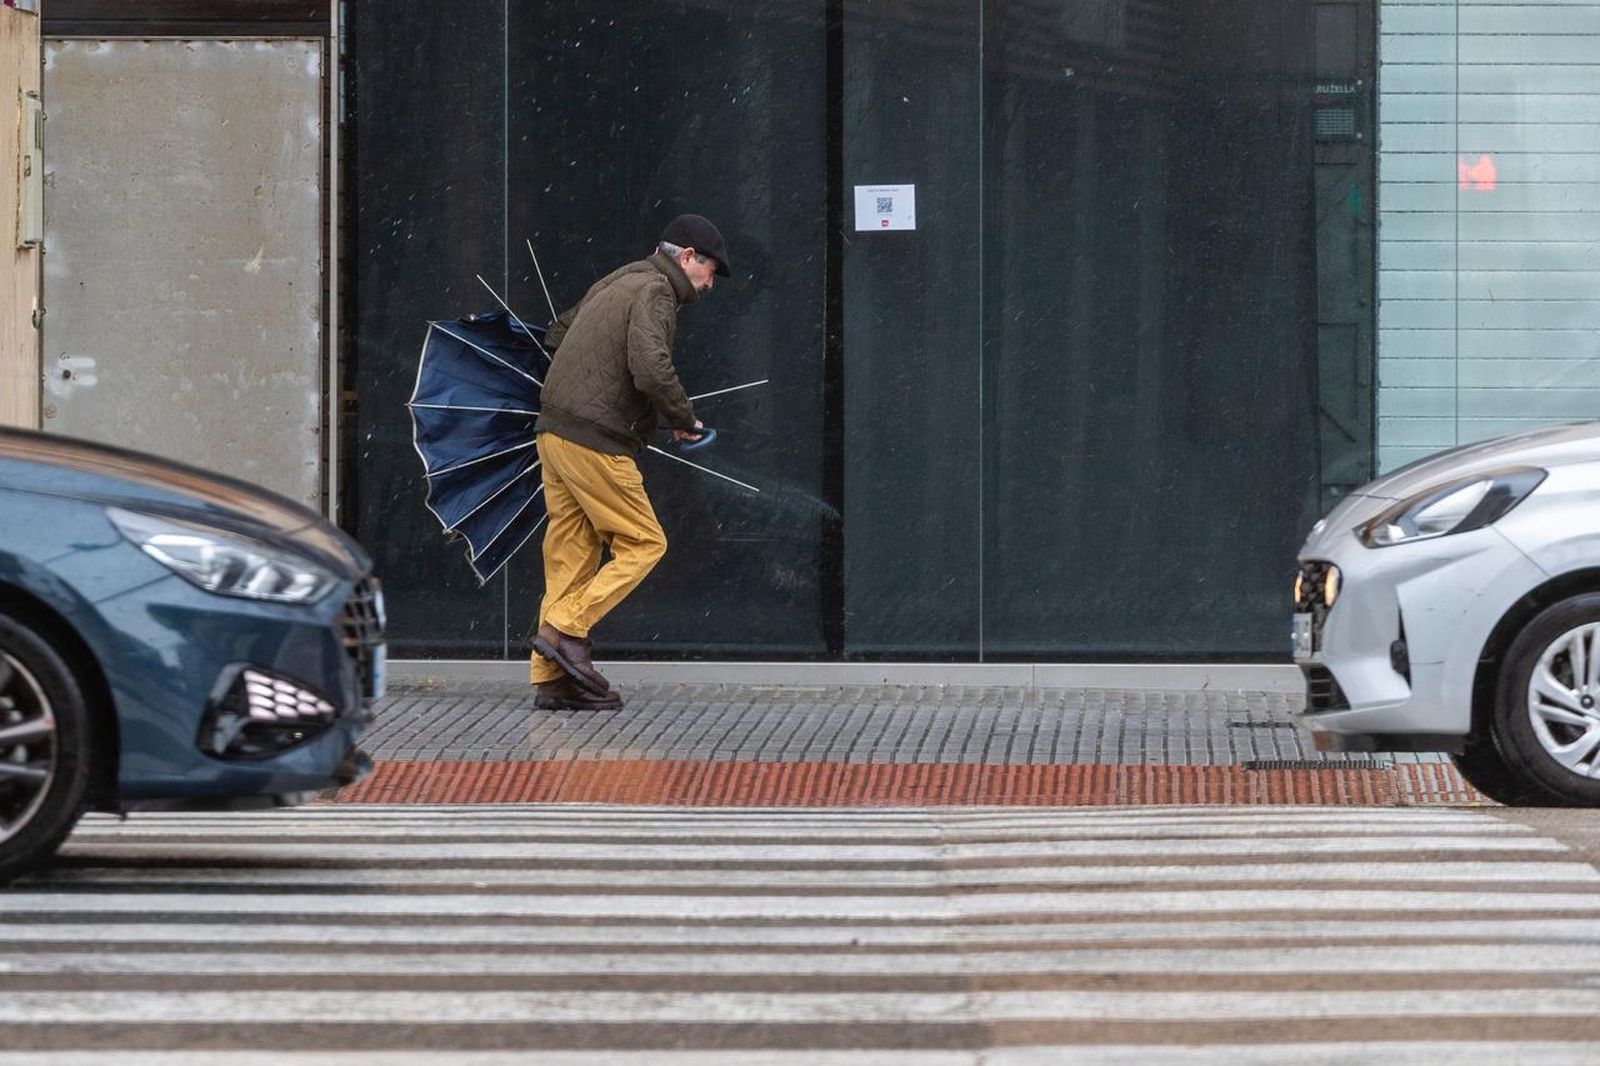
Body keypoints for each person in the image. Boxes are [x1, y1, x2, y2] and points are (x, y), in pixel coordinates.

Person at [529, 214, 731, 710]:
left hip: (554, 433)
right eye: (710, 271)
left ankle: (552, 681)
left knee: (572, 553)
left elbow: (557, 334)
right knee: (644, 542)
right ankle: (564, 630)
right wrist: (681, 417)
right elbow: (651, 368)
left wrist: (589, 382)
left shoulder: (619, 279)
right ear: (688, 257)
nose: (709, 284)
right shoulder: (657, 291)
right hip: (595, 441)